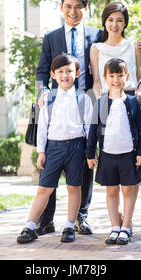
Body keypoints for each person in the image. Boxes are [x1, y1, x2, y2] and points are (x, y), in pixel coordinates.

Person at [35, 0, 141, 236]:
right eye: (68, 6)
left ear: (85, 9)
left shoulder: (97, 34)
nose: (73, 12)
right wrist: (42, 91)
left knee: (87, 158)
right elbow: (42, 71)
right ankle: (46, 218)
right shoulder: (51, 37)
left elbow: (119, 57)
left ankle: (81, 216)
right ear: (61, 8)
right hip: (57, 102)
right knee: (51, 160)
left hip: (90, 100)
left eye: (78, 7)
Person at [17, 54, 93, 244]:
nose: (65, 75)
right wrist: (41, 152)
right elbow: (42, 128)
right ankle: (30, 226)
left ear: (77, 73)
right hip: (53, 148)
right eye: (60, 72)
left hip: (76, 146)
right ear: (53, 75)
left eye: (69, 71)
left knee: (74, 187)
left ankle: (69, 226)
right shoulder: (47, 99)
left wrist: (91, 153)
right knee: (44, 188)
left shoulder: (85, 98)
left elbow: (90, 129)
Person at [86, 58, 141, 245]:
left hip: (128, 153)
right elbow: (93, 129)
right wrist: (90, 153)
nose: (116, 79)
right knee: (111, 191)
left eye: (119, 75)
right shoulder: (101, 102)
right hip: (107, 154)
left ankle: (126, 226)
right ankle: (115, 226)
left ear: (126, 77)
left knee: (128, 190)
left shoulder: (132, 102)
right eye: (111, 76)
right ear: (105, 78)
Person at [90, 1, 141, 104]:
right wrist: (100, 106)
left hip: (131, 101)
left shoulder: (134, 46)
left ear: (125, 23)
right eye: (110, 20)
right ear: (104, 22)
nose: (114, 25)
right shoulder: (96, 49)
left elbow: (140, 77)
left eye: (119, 20)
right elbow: (97, 82)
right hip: (106, 101)